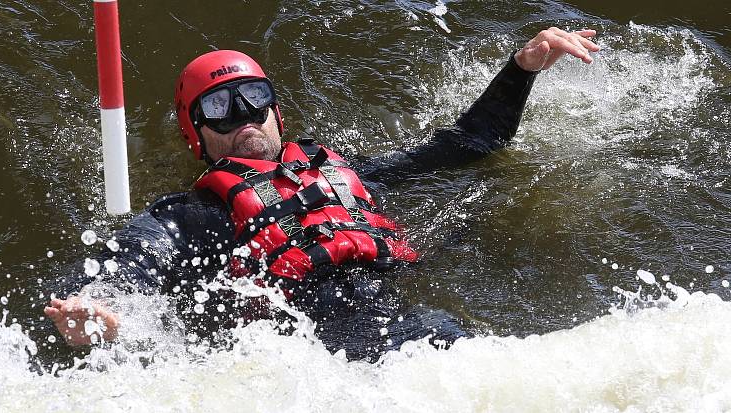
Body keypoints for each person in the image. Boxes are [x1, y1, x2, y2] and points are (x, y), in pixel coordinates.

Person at [45, 27, 600, 360]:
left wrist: (521, 68)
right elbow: (123, 262)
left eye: (253, 97)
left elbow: (469, 144)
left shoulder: (344, 173)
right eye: (218, 108)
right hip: (321, 351)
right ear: (197, 136)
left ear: (277, 113)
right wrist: (93, 308)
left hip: (408, 318)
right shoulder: (195, 214)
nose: (243, 116)